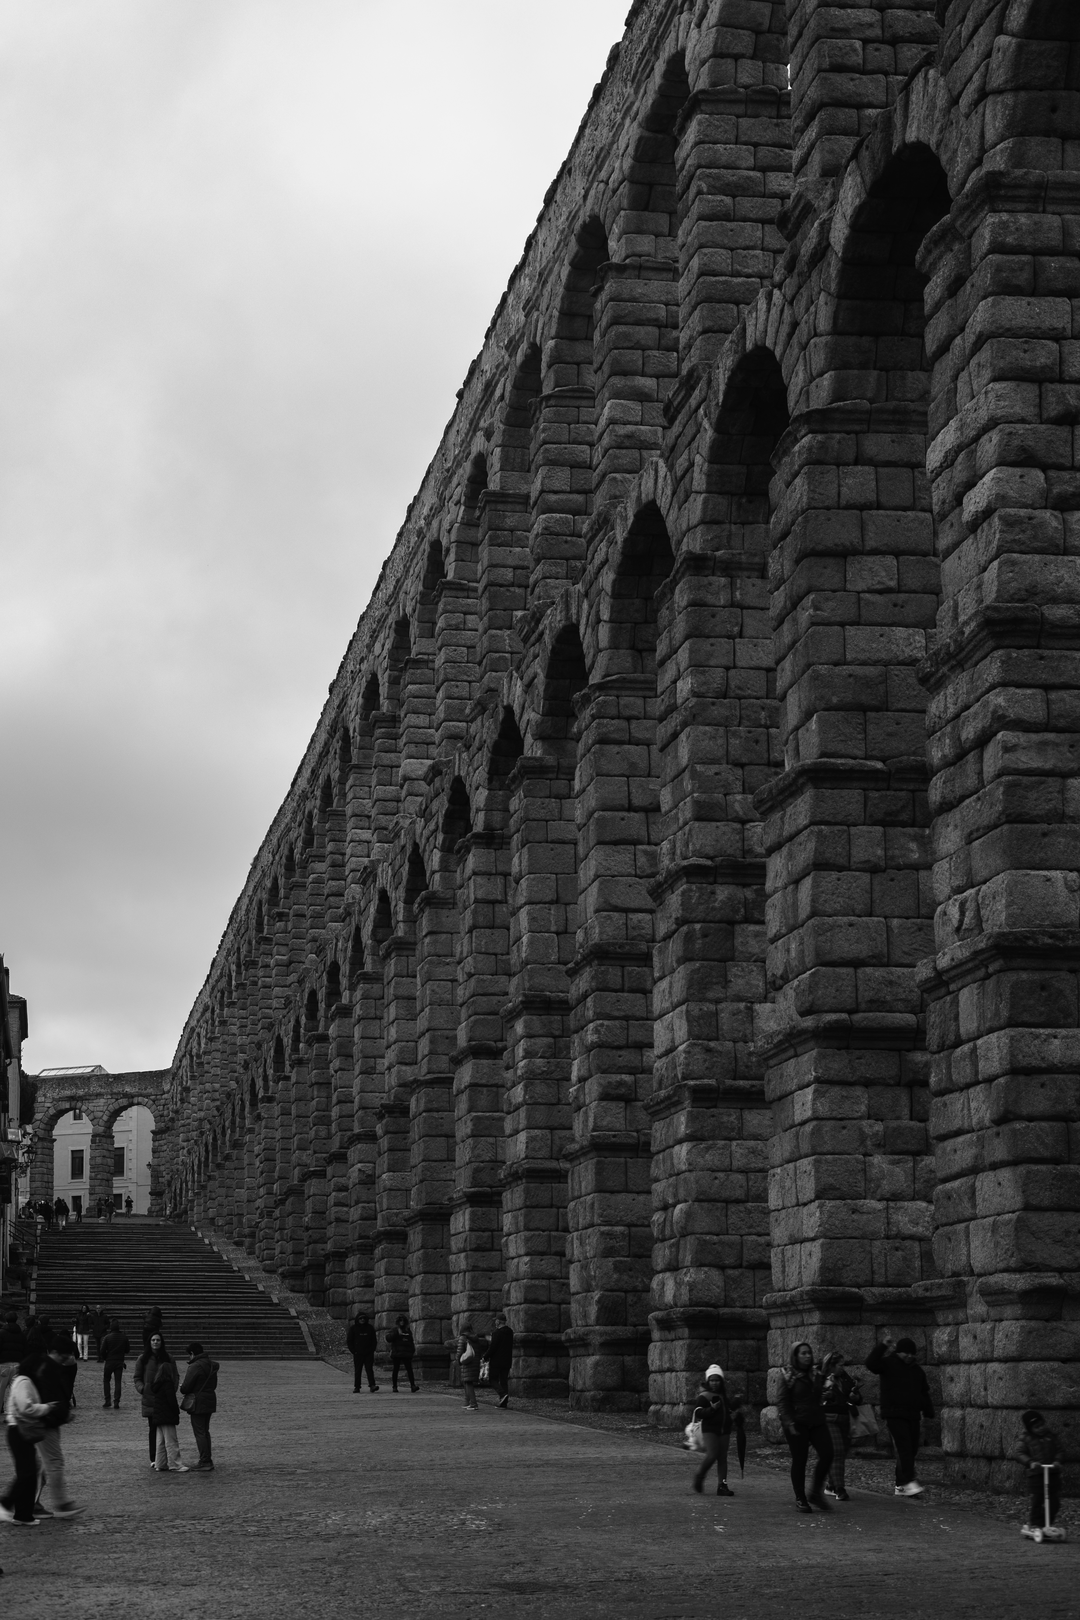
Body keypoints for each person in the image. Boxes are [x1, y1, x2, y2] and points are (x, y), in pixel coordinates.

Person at [865, 1334, 934, 1497]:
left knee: (912, 1449)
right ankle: (909, 1481)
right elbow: (871, 1363)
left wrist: (928, 1409)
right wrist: (883, 1346)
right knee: (904, 1447)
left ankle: (900, 1484)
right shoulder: (888, 1364)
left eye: (912, 1353)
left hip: (912, 1414)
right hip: (894, 1413)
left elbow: (923, 1392)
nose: (909, 1356)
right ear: (898, 1353)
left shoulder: (917, 1371)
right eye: (906, 1353)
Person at [25, 1335, 83, 1518]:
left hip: (47, 1421)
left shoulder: (48, 1367)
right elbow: (50, 1398)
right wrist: (62, 1414)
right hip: (45, 1422)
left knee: (42, 1465)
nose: (67, 1360)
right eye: (65, 1356)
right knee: (54, 1463)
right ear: (55, 1353)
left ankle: (31, 1503)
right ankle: (61, 1503)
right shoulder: (47, 1369)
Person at [0, 1355, 60, 1525]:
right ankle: (6, 1504)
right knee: (27, 1474)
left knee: (29, 1473)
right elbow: (26, 1407)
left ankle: (23, 1514)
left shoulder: (24, 1380)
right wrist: (47, 1408)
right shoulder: (24, 1381)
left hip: (19, 1430)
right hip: (19, 1430)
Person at [777, 1341, 834, 1513]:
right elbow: (783, 1401)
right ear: (795, 1356)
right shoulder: (788, 1374)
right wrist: (789, 1422)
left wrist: (826, 1392)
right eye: (803, 1353)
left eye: (809, 1352)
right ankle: (800, 1498)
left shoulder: (815, 1373)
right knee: (800, 1460)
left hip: (816, 1420)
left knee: (828, 1453)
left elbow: (817, 1395)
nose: (807, 1356)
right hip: (797, 1422)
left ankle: (816, 1492)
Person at [135, 1332, 188, 1473]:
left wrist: (172, 1389)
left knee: (164, 1432)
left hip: (164, 1397)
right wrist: (143, 1389)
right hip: (150, 1398)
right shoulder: (143, 1359)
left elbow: (175, 1375)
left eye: (158, 1340)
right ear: (149, 1342)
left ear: (161, 1342)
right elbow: (137, 1377)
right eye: (153, 1340)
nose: (155, 1342)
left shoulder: (169, 1358)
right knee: (154, 1430)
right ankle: (155, 1459)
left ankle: (161, 1461)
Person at [691, 1363, 742, 1497]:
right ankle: (700, 1476)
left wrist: (735, 1408)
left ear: (721, 1381)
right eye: (712, 1380)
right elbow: (698, 1412)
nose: (714, 1383)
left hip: (724, 1430)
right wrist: (712, 1409)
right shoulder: (705, 1396)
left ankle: (722, 1485)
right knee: (712, 1455)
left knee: (722, 1458)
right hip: (710, 1430)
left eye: (717, 1380)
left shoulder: (723, 1395)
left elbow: (727, 1412)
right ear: (708, 1381)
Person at [821, 1350, 861, 1502]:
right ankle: (840, 1488)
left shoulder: (845, 1378)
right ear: (831, 1365)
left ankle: (831, 1485)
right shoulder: (822, 1378)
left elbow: (856, 1398)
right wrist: (827, 1394)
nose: (842, 1368)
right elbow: (817, 1397)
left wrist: (855, 1396)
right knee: (837, 1452)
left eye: (843, 1365)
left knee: (841, 1453)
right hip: (828, 1419)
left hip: (844, 1418)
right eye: (839, 1365)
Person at [1013, 1409, 1062, 1534]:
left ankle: (1046, 1524)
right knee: (1037, 1500)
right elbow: (1019, 1453)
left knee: (1054, 1502)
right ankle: (1035, 1523)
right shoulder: (1025, 1438)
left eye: (1042, 1425)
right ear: (1030, 1429)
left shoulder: (1051, 1436)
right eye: (1036, 1427)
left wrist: (1057, 1461)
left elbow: (1060, 1450)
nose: (1041, 1428)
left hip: (1051, 1473)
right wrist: (1030, 1462)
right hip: (1036, 1475)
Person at [180, 1343, 219, 1471]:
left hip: (198, 1401)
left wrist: (182, 1387)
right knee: (205, 1431)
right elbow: (213, 1384)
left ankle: (205, 1461)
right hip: (209, 1399)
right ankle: (207, 1458)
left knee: (199, 1432)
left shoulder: (195, 1366)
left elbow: (186, 1387)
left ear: (192, 1353)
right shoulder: (211, 1365)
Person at [100, 1319, 130, 1409]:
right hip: (119, 1362)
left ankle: (107, 1400)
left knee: (106, 1380)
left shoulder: (107, 1337)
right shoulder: (124, 1337)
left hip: (109, 1361)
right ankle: (116, 1401)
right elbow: (127, 1350)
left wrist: (106, 1357)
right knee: (118, 1382)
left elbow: (102, 1351)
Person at [487, 1312, 514, 1409]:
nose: (495, 1323)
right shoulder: (510, 1332)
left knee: (492, 1379)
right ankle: (504, 1403)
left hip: (496, 1361)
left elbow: (493, 1347)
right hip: (507, 1360)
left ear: (498, 1321)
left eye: (496, 1321)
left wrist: (486, 1356)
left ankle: (502, 1394)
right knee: (503, 1380)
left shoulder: (496, 1333)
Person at [346, 1313, 379, 1393]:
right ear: (357, 1320)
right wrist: (354, 1351)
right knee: (358, 1370)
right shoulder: (353, 1328)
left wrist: (372, 1350)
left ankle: (372, 1385)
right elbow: (349, 1341)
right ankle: (357, 1386)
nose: (362, 1320)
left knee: (369, 1370)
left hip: (368, 1353)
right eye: (360, 1318)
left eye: (363, 1318)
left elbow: (374, 1340)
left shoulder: (370, 1328)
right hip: (358, 1353)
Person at [387, 1315, 418, 1393]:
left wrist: (412, 1351)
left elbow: (411, 1341)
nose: (402, 1322)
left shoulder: (408, 1330)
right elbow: (388, 1339)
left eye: (403, 1320)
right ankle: (394, 1386)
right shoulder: (394, 1330)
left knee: (409, 1370)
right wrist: (397, 1333)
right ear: (398, 1322)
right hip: (397, 1353)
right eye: (400, 1320)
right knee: (396, 1370)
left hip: (406, 1353)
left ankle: (412, 1385)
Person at [456, 1323, 480, 1411]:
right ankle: (468, 1402)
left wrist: (458, 1361)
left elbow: (459, 1351)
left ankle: (473, 1403)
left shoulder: (463, 1337)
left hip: (466, 1362)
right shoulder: (475, 1338)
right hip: (474, 1362)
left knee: (468, 1382)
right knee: (467, 1381)